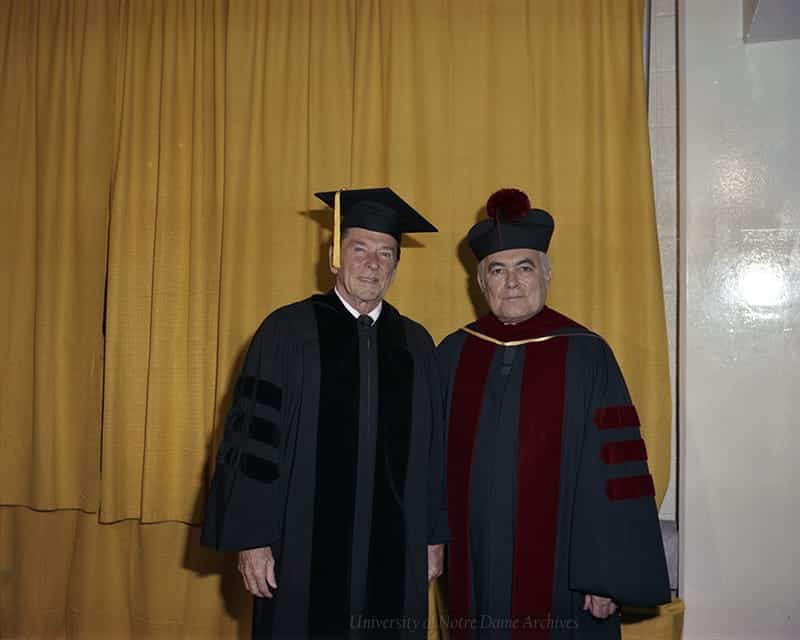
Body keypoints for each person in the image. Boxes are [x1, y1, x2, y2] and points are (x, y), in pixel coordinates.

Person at [202, 187, 449, 639]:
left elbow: (434, 450)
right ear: (335, 255)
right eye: (359, 249)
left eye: (386, 253)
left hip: (393, 552)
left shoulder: (415, 345)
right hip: (301, 547)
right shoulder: (287, 331)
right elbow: (252, 442)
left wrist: (433, 535)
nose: (372, 263)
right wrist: (253, 538)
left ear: (396, 264)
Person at [437, 189, 671, 639]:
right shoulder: (454, 353)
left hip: (567, 570)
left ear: (547, 275)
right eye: (497, 270)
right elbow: (427, 461)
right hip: (474, 561)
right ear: (480, 283)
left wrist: (603, 574)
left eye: (525, 268)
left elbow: (615, 474)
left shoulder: (586, 354)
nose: (511, 282)